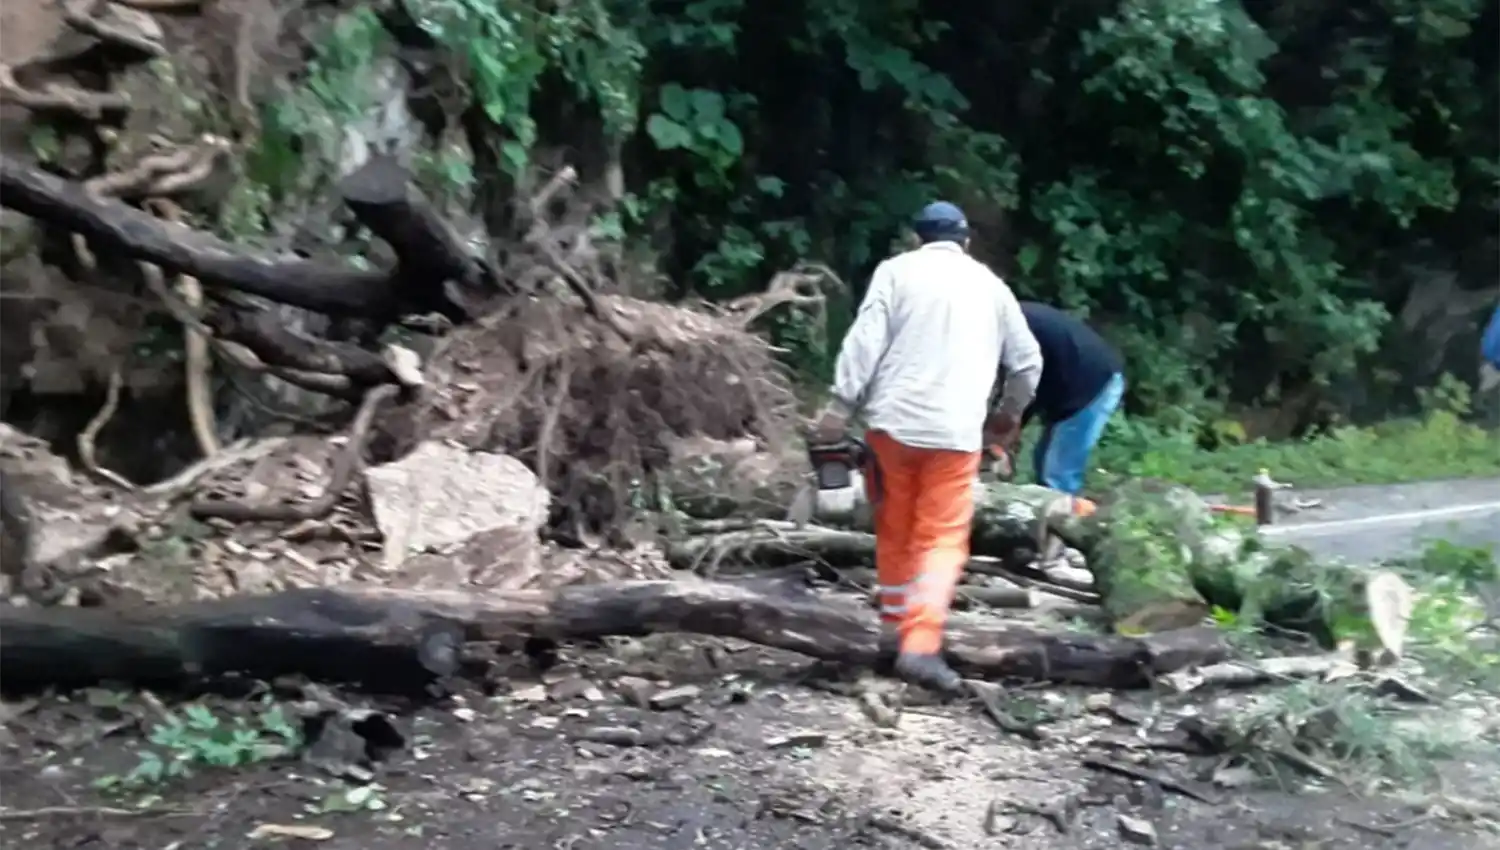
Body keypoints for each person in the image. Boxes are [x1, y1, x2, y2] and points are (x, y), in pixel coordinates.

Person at [809, 201, 1042, 694]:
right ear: (966, 242)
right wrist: (1006, 416)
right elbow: (1027, 364)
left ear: (917, 238)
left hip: (891, 426)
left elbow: (864, 341)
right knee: (940, 539)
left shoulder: (896, 273)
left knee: (894, 528)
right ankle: (920, 645)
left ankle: (892, 631)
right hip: (955, 436)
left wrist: (838, 408)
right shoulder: (992, 287)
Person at [990, 302, 1124, 497]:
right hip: (1064, 377)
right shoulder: (1004, 321)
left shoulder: (1011, 330)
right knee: (1043, 460)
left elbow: (1022, 386)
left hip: (1093, 382)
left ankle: (1063, 524)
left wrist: (1005, 432)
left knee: (1057, 473)